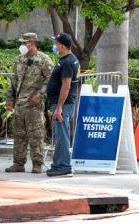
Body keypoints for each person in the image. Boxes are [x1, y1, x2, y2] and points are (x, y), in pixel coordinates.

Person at [5, 33, 54, 174]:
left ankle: (37, 164)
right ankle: (18, 163)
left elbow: (50, 80)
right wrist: (9, 98)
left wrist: (40, 95)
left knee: (36, 135)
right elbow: (13, 81)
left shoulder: (44, 60)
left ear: (32, 43)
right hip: (20, 103)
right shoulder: (19, 60)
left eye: (24, 42)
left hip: (34, 105)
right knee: (19, 134)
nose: (22, 45)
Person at [46, 33, 80, 177]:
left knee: (62, 135)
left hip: (63, 105)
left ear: (62, 46)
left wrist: (59, 107)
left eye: (56, 43)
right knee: (59, 135)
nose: (54, 45)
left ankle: (64, 166)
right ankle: (58, 164)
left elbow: (66, 86)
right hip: (62, 104)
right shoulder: (68, 59)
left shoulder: (67, 62)